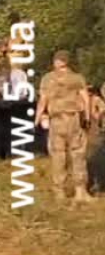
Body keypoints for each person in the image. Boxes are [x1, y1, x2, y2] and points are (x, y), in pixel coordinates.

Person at [36, 50, 92, 201]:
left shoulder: (47, 78)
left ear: (56, 61)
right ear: (67, 61)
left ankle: (59, 191)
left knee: (58, 155)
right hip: (73, 119)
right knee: (78, 154)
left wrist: (37, 119)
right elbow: (85, 99)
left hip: (56, 120)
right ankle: (80, 191)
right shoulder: (77, 78)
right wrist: (87, 118)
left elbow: (43, 101)